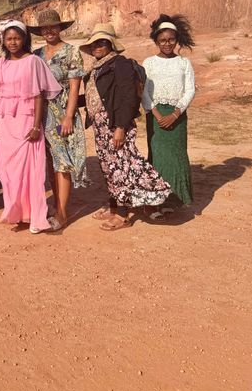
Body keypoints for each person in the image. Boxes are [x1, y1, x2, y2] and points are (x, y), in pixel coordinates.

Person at [80, 24, 171, 231]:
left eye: (102, 42)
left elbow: (127, 96)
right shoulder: (98, 67)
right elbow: (94, 96)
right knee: (109, 168)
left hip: (114, 125)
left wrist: (120, 127)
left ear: (111, 44)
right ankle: (114, 206)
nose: (97, 46)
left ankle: (123, 215)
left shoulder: (120, 64)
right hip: (101, 126)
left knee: (121, 168)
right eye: (94, 43)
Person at [0, 21, 62, 233]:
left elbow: (39, 95)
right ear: (3, 41)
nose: (13, 42)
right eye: (9, 39)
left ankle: (33, 214)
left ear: (24, 39)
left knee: (28, 169)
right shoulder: (1, 63)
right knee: (7, 169)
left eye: (16, 38)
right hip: (6, 121)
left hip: (26, 119)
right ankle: (15, 212)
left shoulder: (33, 61)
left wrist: (36, 126)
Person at [29, 9, 89, 229]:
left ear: (60, 28)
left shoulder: (71, 52)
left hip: (62, 112)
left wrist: (68, 116)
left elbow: (75, 87)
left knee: (62, 162)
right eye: (45, 28)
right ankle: (56, 204)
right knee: (49, 163)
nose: (49, 31)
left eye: (53, 26)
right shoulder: (35, 55)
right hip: (40, 115)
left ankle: (62, 213)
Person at [143, 14, 196, 213]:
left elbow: (190, 89)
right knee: (157, 156)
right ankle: (156, 201)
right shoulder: (148, 63)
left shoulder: (184, 63)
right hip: (155, 116)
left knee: (177, 155)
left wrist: (175, 114)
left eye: (171, 39)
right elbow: (144, 92)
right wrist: (156, 114)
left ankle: (174, 201)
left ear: (177, 39)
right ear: (156, 40)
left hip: (177, 116)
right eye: (163, 40)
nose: (167, 44)